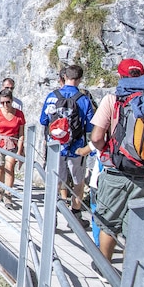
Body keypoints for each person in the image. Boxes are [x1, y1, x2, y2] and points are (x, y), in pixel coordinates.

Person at [90, 58, 144, 262]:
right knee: (137, 228)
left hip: (117, 173)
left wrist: (109, 152)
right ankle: (134, 277)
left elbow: (96, 137)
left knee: (108, 222)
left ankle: (105, 268)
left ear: (121, 76)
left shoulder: (113, 99)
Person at [39, 64, 95, 219]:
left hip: (56, 147)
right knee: (78, 182)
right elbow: (90, 126)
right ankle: (75, 215)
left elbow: (43, 120)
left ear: (64, 77)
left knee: (55, 181)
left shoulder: (52, 96)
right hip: (76, 148)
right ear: (79, 79)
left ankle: (52, 216)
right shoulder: (83, 99)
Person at [0, 89, 25, 208]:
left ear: (12, 101)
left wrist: (20, 151)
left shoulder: (19, 114)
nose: (5, 105)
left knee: (9, 167)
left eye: (8, 102)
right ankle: (0, 188)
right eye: (3, 102)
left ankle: (8, 194)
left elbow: (21, 134)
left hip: (13, 144)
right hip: (0, 143)